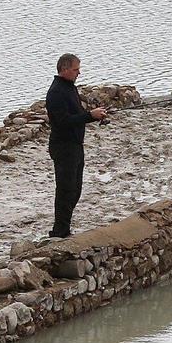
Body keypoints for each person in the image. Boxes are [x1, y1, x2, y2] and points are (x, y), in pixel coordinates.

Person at [45, 53, 109, 239]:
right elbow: (63, 121)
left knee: (75, 189)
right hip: (63, 146)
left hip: (75, 145)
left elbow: (78, 114)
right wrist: (90, 115)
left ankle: (64, 227)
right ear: (64, 69)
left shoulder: (70, 88)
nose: (78, 73)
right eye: (75, 69)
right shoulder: (56, 92)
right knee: (65, 190)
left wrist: (96, 116)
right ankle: (59, 231)